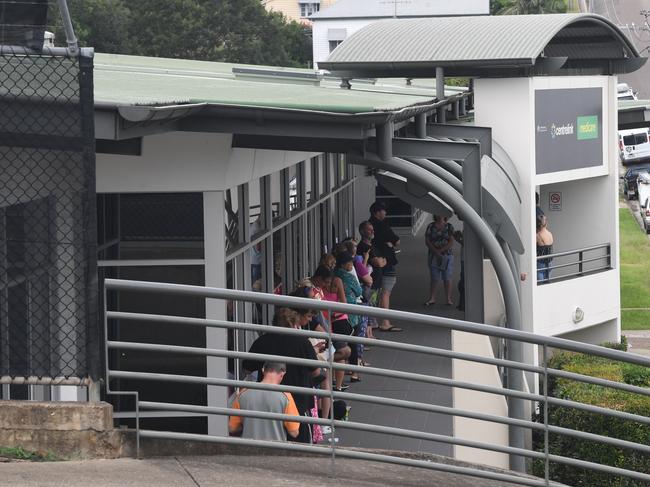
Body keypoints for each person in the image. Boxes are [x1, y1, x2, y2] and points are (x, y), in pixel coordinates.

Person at [242, 308, 321, 443]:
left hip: (268, 403)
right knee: (300, 445)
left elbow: (247, 369)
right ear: (292, 323)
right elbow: (316, 371)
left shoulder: (263, 340)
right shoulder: (302, 342)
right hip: (297, 401)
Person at [229, 361, 300, 441]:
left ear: (263, 370)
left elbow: (232, 428)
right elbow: (294, 432)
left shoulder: (243, 394)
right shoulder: (285, 396)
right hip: (275, 451)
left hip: (249, 450)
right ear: (282, 373)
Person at [368, 201, 402, 332]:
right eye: (383, 211)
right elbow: (397, 241)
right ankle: (385, 322)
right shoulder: (382, 226)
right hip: (386, 263)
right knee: (386, 292)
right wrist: (391, 244)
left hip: (374, 263)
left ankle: (373, 321)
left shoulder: (369, 225)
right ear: (377, 212)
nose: (385, 213)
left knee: (375, 291)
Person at [424, 214, 455, 306]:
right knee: (434, 277)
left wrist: (440, 251)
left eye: (441, 213)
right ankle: (432, 298)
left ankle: (448, 299)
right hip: (433, 255)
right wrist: (436, 252)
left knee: (447, 277)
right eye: (438, 213)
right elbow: (427, 241)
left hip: (447, 255)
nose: (439, 215)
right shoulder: (431, 226)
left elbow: (451, 241)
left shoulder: (449, 227)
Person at [536, 214, 554, 282]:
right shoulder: (550, 234)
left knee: (540, 285)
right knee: (548, 283)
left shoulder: (537, 235)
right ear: (546, 224)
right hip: (550, 262)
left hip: (540, 263)